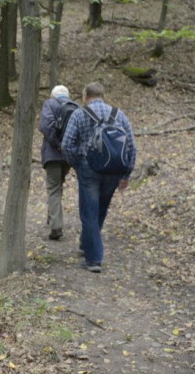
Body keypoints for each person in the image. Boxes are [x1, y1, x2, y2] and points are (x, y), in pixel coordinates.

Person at [62, 82, 137, 273]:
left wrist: (77, 164)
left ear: (85, 96)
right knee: (100, 210)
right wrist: (126, 174)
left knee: (89, 212)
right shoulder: (119, 114)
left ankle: (94, 259)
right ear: (103, 96)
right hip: (114, 170)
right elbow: (131, 146)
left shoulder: (80, 114)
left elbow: (67, 144)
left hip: (89, 170)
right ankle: (87, 243)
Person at [39, 85, 77, 241]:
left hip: (52, 154)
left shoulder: (50, 104)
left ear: (53, 95)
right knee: (58, 185)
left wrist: (57, 144)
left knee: (53, 188)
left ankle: (56, 226)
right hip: (68, 157)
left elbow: (45, 126)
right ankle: (52, 217)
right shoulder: (75, 107)